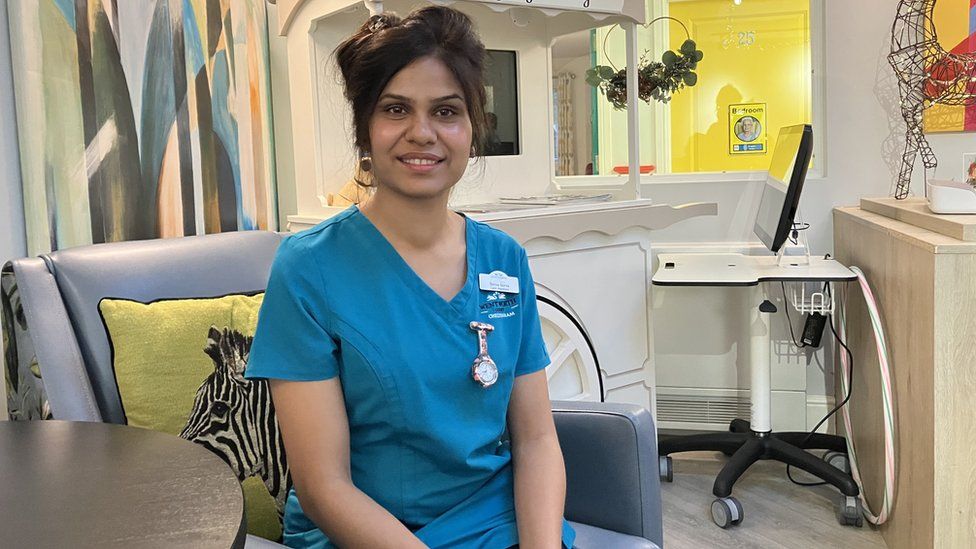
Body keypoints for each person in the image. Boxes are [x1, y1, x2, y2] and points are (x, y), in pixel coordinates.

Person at [244, 6, 577, 549]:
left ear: (473, 130)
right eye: (396, 109)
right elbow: (324, 484)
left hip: (495, 523)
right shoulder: (309, 268)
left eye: (446, 111)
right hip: (363, 532)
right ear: (365, 130)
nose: (422, 133)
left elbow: (537, 440)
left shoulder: (504, 259)